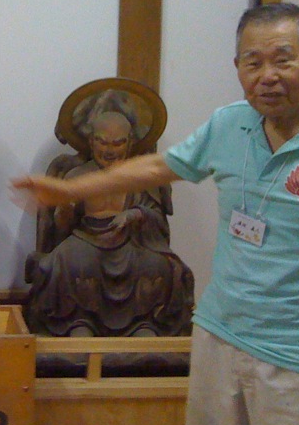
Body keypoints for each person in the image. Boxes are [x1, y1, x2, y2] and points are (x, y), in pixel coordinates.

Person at [12, 2, 299, 425]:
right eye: (253, 62)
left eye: (282, 59)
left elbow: (154, 199)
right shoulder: (229, 124)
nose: (267, 76)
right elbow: (161, 167)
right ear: (238, 69)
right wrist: (74, 190)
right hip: (220, 333)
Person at [26, 110, 193, 337]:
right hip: (87, 239)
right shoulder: (78, 174)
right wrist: (65, 209)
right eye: (102, 142)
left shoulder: (141, 177)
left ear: (130, 143)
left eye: (117, 143)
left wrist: (135, 214)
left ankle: (144, 327)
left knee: (162, 266)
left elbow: (158, 221)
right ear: (91, 142)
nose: (109, 150)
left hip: (131, 241)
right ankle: (78, 323)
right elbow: (62, 229)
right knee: (62, 262)